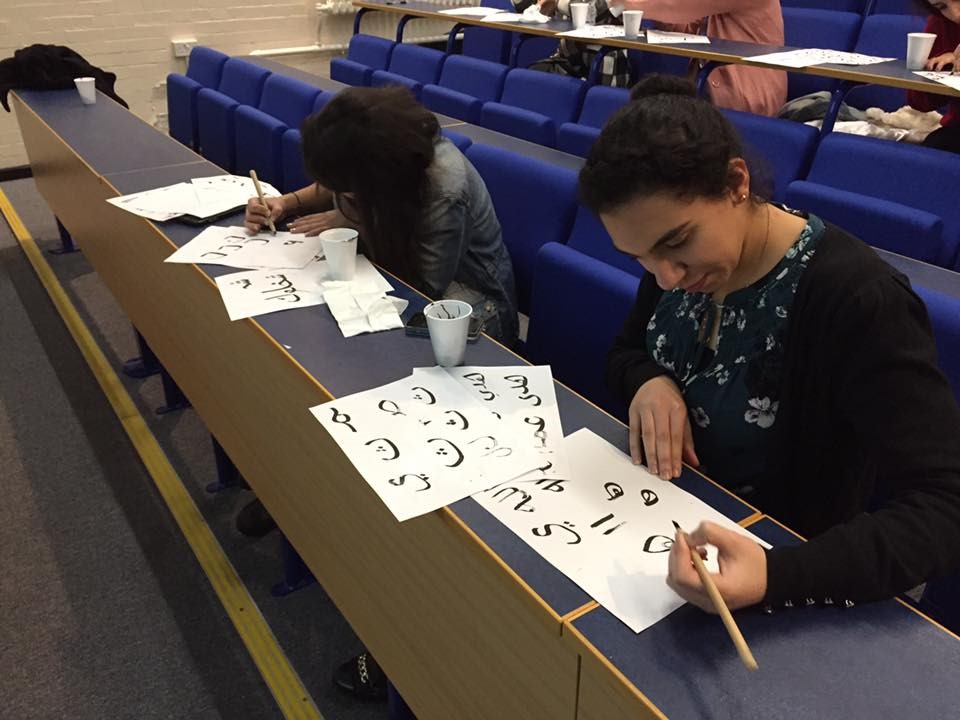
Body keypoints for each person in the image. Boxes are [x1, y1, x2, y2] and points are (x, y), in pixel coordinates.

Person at [578, 75, 960, 614]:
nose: (663, 277)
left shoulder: (856, 299)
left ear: (736, 183)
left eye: (676, 242)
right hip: (666, 527)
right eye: (637, 256)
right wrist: (649, 380)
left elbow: (944, 508)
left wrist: (775, 574)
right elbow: (626, 352)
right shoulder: (681, 263)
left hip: (784, 570)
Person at [243, 85, 520, 699]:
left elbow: (420, 287)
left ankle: (395, 611)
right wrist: (285, 204)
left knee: (342, 359)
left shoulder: (439, 183)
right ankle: (298, 494)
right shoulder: (374, 161)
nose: (339, 193)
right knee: (305, 347)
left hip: (466, 312)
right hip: (390, 274)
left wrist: (347, 227)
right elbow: (334, 190)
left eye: (352, 189)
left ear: (377, 177)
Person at [616, 0, 786, 116]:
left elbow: (675, 6)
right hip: (706, 86)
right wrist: (661, 17)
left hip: (747, 93)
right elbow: (686, 25)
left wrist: (622, 2)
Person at [906, 0, 960, 153]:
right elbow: (920, 102)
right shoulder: (941, 23)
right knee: (934, 148)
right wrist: (941, 70)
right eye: (942, 7)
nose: (956, 15)